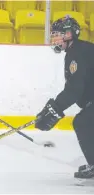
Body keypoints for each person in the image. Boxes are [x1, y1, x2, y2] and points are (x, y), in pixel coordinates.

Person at [34, 16, 94, 179]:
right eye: (54, 34)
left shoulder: (76, 55)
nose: (55, 38)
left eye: (58, 34)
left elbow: (74, 90)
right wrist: (55, 107)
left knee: (82, 122)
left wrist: (55, 107)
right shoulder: (80, 50)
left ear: (70, 34)